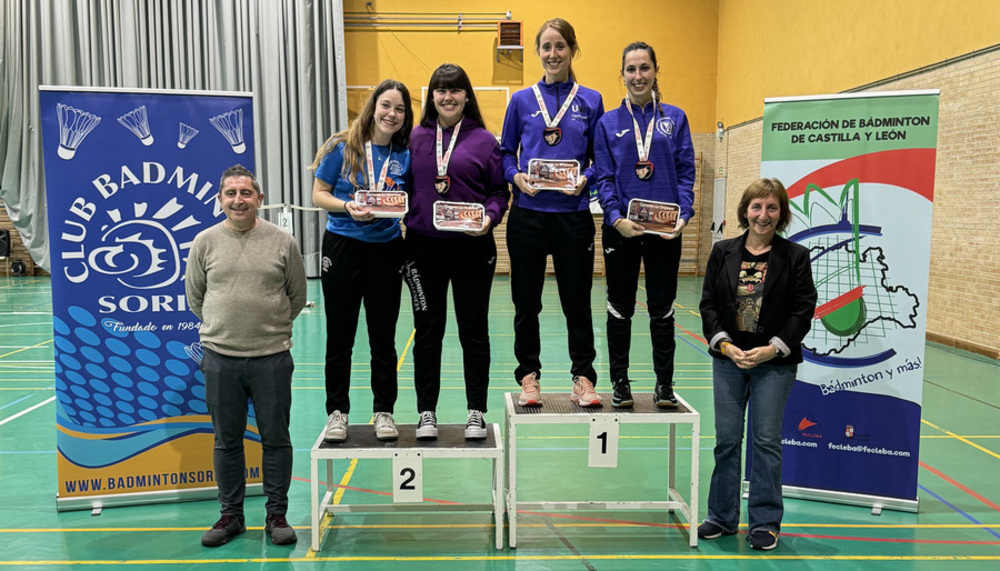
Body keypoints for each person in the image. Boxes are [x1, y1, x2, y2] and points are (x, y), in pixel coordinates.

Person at [185, 164, 307, 547]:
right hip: (220, 359)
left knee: (276, 439)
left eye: (246, 193)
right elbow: (195, 297)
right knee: (226, 441)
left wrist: (269, 329)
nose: (239, 200)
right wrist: (224, 329)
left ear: (260, 200)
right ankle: (231, 516)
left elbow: (297, 296)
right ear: (220, 200)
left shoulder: (282, 241)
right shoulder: (204, 242)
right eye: (231, 193)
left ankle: (277, 515)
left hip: (271, 358)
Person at [697, 178, 817, 551]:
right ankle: (721, 516)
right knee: (727, 441)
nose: (763, 215)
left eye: (771, 207)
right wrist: (726, 345)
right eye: (756, 207)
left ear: (781, 213)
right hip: (729, 361)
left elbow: (802, 310)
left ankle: (765, 522)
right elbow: (709, 306)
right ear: (745, 210)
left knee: (766, 443)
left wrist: (773, 348)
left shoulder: (795, 256)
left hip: (774, 365)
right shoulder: (723, 252)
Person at [500, 17, 605, 407]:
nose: (553, 54)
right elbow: (506, 153)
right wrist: (515, 177)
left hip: (573, 215)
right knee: (526, 302)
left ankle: (583, 378)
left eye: (560, 46)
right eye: (546, 47)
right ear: (538, 52)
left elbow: (601, 157)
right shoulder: (521, 101)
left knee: (576, 301)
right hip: (528, 215)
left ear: (572, 50)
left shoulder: (591, 100)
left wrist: (587, 179)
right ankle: (529, 376)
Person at [402, 63, 509, 440]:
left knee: (473, 331)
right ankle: (426, 412)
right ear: (431, 96)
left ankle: (476, 412)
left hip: (472, 249)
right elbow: (398, 185)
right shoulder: (414, 137)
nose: (448, 97)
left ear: (467, 96)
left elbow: (499, 193)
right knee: (427, 331)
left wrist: (491, 218)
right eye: (440, 90)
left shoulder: (485, 140)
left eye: (455, 90)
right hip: (422, 250)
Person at [310, 79, 413, 442]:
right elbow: (318, 193)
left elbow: (409, 200)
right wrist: (347, 207)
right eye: (387, 105)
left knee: (383, 338)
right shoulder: (343, 148)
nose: (392, 114)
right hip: (342, 247)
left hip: (386, 250)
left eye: (400, 109)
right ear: (373, 107)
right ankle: (337, 412)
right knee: (340, 335)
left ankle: (383, 411)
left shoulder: (404, 154)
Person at [594, 41, 696, 408]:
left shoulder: (675, 119)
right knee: (620, 307)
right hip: (621, 230)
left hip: (664, 231)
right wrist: (615, 218)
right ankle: (620, 383)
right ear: (621, 75)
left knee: (662, 307)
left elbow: (686, 173)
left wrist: (684, 216)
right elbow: (603, 178)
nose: (638, 76)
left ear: (655, 71)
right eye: (631, 69)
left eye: (644, 68)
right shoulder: (607, 122)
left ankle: (664, 386)